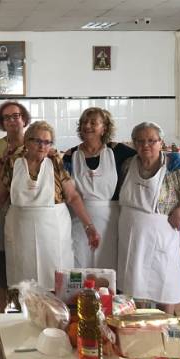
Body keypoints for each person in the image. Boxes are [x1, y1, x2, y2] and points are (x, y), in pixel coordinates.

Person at [0, 121, 100, 291]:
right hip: (20, 231)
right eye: (37, 141)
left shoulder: (55, 162)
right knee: (23, 284)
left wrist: (89, 227)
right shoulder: (13, 163)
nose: (42, 146)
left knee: (56, 279)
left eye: (47, 142)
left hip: (53, 231)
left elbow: (73, 197)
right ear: (26, 141)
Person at [118, 122, 180, 314]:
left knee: (164, 281)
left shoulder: (172, 168)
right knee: (134, 283)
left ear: (161, 142)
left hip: (161, 234)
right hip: (131, 236)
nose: (146, 145)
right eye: (140, 141)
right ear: (133, 143)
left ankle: (166, 322)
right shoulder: (128, 165)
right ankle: (138, 324)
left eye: (152, 140)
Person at [62, 107, 136, 270]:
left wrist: (169, 157)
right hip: (79, 219)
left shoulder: (117, 151)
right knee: (79, 264)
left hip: (110, 220)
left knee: (108, 265)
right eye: (84, 122)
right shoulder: (70, 155)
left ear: (104, 128)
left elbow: (145, 156)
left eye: (93, 122)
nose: (87, 126)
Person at [0, 101, 30, 311]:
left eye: (16, 116)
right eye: (7, 117)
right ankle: (2, 314)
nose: (12, 121)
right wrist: (5, 160)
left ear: (24, 119)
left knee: (26, 260)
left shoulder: (36, 143)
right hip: (3, 210)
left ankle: (25, 310)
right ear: (1, 123)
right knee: (2, 264)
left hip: (29, 213)